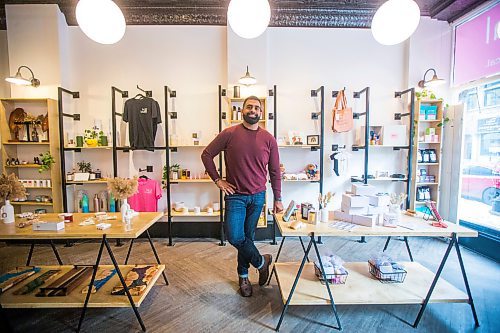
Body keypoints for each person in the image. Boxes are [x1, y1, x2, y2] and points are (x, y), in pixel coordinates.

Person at [201, 96, 283, 297]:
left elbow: (274, 171)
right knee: (235, 236)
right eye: (249, 107)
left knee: (248, 238)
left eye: (257, 107)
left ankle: (243, 276)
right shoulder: (229, 134)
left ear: (261, 112)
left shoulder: (268, 139)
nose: (253, 110)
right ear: (243, 110)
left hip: (258, 197)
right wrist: (218, 180)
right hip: (235, 195)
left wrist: (278, 198)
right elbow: (206, 154)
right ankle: (262, 263)